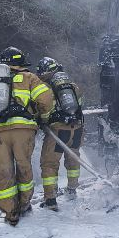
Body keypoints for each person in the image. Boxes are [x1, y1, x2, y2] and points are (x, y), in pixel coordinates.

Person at [0, 47, 55, 226]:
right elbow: (46, 99)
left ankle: (10, 214)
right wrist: (43, 119)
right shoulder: (30, 78)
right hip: (23, 130)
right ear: (20, 63)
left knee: (4, 170)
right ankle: (24, 205)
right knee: (23, 166)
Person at [36, 57, 84, 212]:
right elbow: (80, 106)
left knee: (49, 164)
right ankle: (72, 190)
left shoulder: (45, 87)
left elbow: (45, 110)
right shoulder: (72, 86)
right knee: (73, 159)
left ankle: (50, 199)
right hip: (76, 129)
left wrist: (43, 122)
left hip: (58, 131)